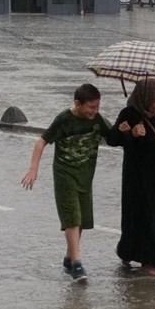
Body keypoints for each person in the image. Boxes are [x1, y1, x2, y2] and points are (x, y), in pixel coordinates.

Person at [21, 83, 112, 282]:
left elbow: (113, 138)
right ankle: (77, 264)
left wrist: (127, 130)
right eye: (91, 107)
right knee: (73, 217)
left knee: (81, 222)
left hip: (86, 177)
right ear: (77, 103)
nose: (94, 111)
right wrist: (33, 170)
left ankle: (69, 258)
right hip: (65, 175)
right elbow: (41, 142)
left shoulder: (97, 120)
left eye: (97, 107)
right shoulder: (64, 119)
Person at [105, 78, 155, 278]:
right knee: (139, 217)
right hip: (136, 178)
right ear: (145, 98)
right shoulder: (129, 114)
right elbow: (112, 139)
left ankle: (141, 255)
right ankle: (149, 263)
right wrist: (131, 133)